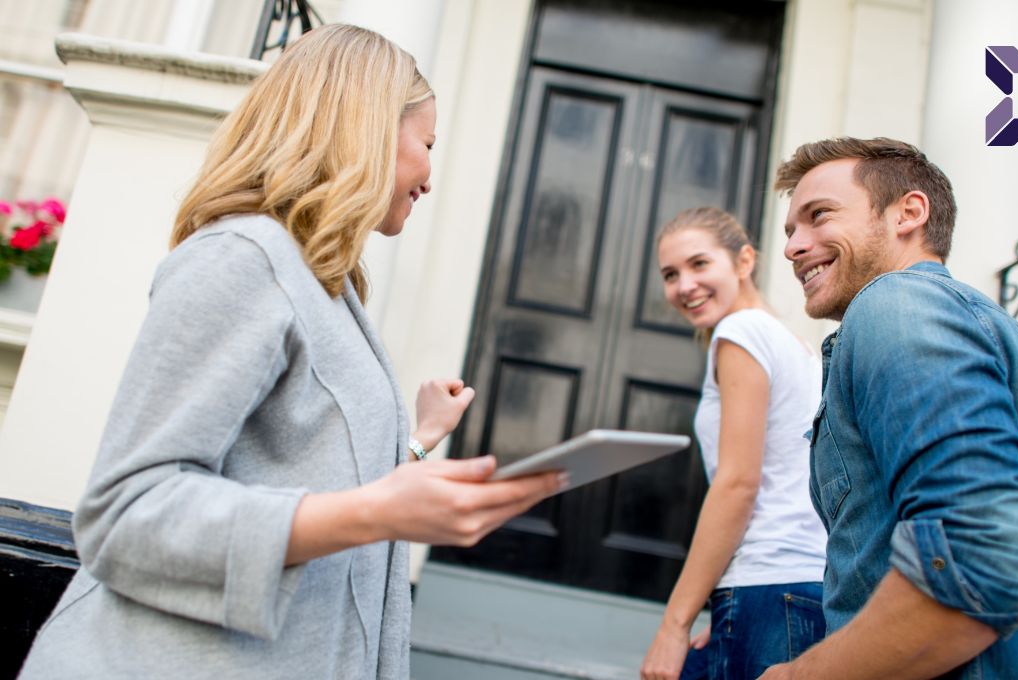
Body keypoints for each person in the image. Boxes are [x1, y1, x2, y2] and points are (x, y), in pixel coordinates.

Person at [19, 24, 562, 680]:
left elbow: (294, 474)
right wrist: (377, 511)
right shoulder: (242, 259)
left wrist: (416, 443)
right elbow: (126, 512)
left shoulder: (325, 283)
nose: (428, 176)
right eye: (427, 144)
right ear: (364, 128)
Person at [759, 137, 1018, 679]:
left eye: (819, 216)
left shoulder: (897, 306)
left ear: (909, 212)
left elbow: (985, 559)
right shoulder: (965, 318)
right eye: (791, 230)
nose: (794, 246)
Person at [641, 207, 827, 680]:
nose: (684, 285)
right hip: (802, 586)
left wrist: (674, 624)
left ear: (744, 262)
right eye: (670, 274)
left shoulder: (740, 332)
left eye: (700, 264)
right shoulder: (795, 343)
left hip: (766, 583)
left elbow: (739, 484)